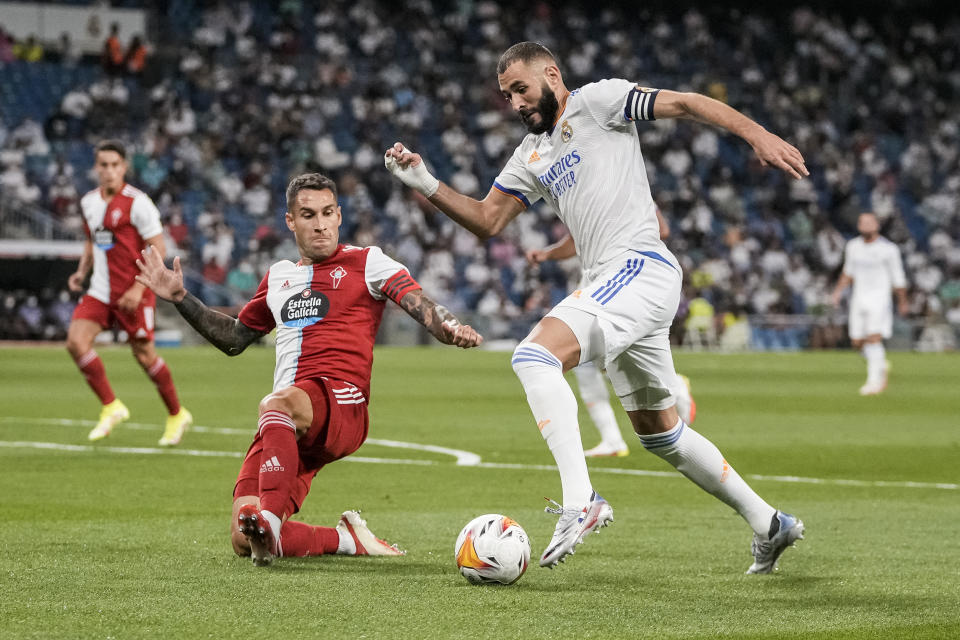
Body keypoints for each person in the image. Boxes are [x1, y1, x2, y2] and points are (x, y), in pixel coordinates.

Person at [384, 42, 806, 573]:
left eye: (520, 88)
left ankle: (581, 501)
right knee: (662, 435)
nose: (514, 103)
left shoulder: (600, 101)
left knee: (532, 357)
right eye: (506, 95)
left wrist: (756, 134)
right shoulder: (531, 154)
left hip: (640, 266)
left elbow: (689, 103)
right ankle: (771, 523)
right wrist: (424, 182)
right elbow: (489, 219)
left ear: (552, 74)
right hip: (617, 283)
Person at [135, 173, 483, 567]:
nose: (319, 224)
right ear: (290, 221)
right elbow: (235, 338)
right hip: (287, 420)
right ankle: (346, 539)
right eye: (308, 215)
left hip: (341, 403)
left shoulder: (368, 262)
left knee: (276, 410)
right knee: (242, 537)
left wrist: (449, 327)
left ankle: (269, 518)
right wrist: (181, 297)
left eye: (327, 213)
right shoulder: (279, 277)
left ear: (339, 216)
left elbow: (419, 303)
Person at [526, 211, 697, 457]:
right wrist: (548, 254)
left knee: (599, 358)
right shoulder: (601, 185)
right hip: (598, 278)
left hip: (621, 277)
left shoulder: (622, 184)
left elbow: (662, 229)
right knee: (599, 360)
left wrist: (621, 243)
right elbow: (580, 238)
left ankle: (673, 388)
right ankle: (613, 438)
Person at [66, 140, 191, 445]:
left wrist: (138, 287)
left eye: (114, 165)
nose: (108, 171)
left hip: (134, 292)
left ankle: (177, 414)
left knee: (145, 356)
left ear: (123, 167)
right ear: (96, 167)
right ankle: (111, 406)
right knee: (75, 342)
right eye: (103, 165)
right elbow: (91, 241)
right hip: (100, 291)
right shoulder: (88, 202)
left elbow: (158, 248)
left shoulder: (138, 202)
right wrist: (82, 272)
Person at [830, 212, 908, 395]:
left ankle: (874, 382)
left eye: (869, 222)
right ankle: (880, 363)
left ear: (877, 225)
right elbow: (848, 272)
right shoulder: (853, 246)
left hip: (879, 299)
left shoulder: (889, 249)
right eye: (862, 222)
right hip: (859, 298)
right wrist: (837, 292)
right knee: (857, 342)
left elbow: (898, 278)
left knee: (874, 338)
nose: (865, 225)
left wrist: (903, 301)